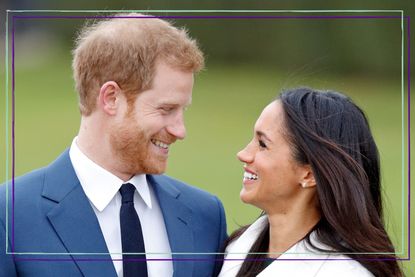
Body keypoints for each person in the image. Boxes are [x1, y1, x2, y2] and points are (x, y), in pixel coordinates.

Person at [0, 13, 227, 277]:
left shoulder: (205, 216)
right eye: (166, 109)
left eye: (182, 110)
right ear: (110, 98)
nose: (180, 130)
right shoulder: (10, 217)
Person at [218, 87, 402, 276]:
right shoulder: (234, 247)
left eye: (263, 144)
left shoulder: (345, 272)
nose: (243, 154)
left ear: (309, 175)